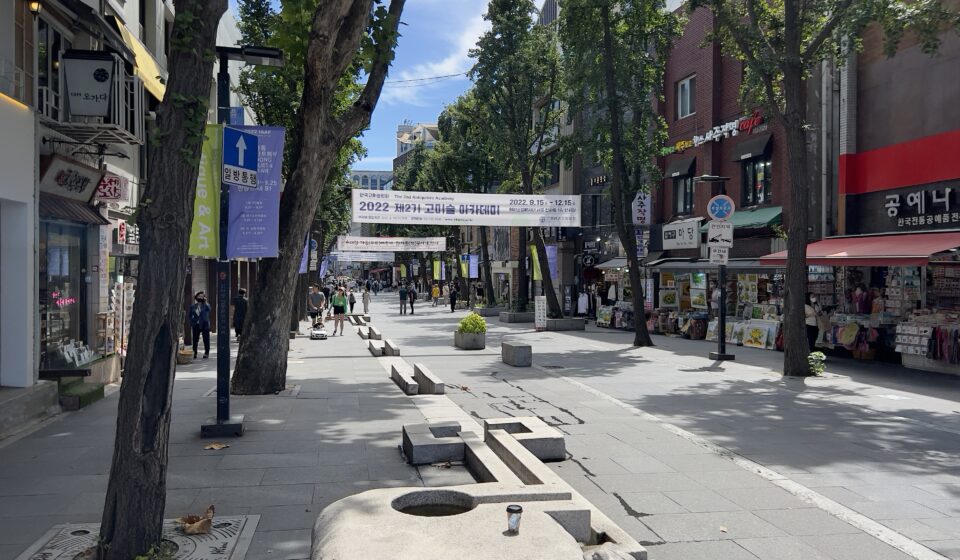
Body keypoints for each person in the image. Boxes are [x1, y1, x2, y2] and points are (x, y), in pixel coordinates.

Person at [189, 291, 211, 359]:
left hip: (205, 324)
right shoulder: (193, 306)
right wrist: (192, 322)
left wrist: (205, 302)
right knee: (195, 340)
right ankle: (194, 352)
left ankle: (206, 353)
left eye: (202, 296)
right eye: (199, 296)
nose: (200, 297)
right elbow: (190, 315)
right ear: (196, 297)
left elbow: (209, 309)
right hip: (196, 324)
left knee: (206, 339)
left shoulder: (206, 305)